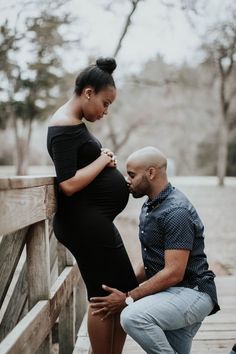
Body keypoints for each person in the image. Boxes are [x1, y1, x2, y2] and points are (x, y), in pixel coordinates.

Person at [47, 57, 138, 354]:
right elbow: (68, 183)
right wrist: (102, 160)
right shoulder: (63, 127)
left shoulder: (72, 124)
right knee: (109, 294)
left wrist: (105, 166)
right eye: (105, 102)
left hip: (92, 222)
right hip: (84, 224)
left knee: (118, 290)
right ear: (88, 93)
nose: (106, 111)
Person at [90, 146, 220, 354]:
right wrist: (123, 286)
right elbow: (151, 261)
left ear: (151, 173)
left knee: (133, 316)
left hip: (193, 293)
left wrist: (128, 298)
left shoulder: (176, 211)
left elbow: (174, 272)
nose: (127, 180)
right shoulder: (151, 205)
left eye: (131, 175)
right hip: (170, 294)